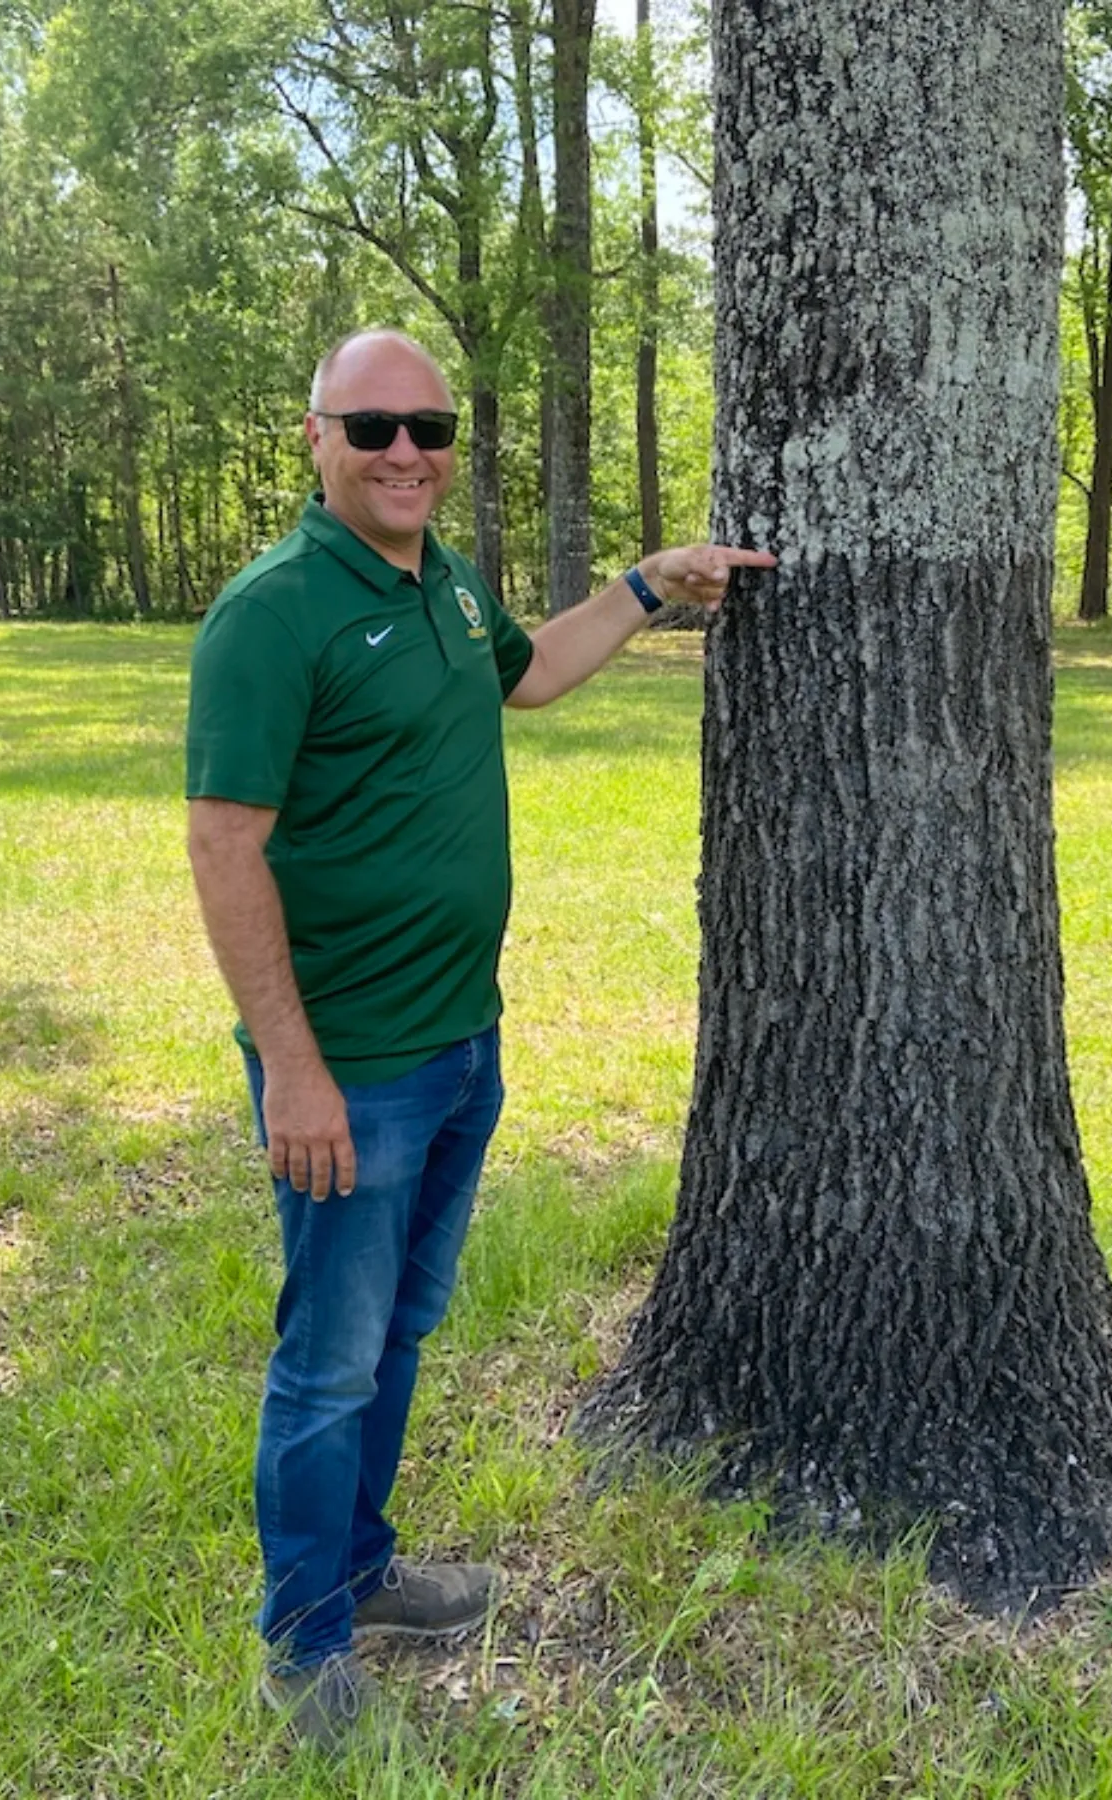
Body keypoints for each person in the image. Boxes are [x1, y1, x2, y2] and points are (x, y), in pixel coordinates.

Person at [185, 328, 772, 1750]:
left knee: (396, 1332)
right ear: (315, 437)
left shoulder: (440, 580)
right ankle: (301, 1643)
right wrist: (297, 1070)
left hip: (460, 1045)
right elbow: (223, 844)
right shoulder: (272, 614)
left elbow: (528, 674)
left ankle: (366, 1573)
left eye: (429, 426)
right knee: (328, 1358)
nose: (405, 452)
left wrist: (644, 589)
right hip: (353, 1071)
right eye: (373, 426)